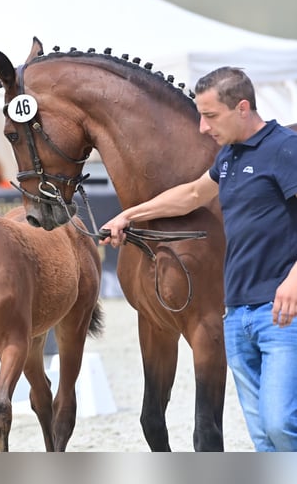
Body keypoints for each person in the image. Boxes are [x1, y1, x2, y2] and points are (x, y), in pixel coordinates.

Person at [100, 66, 297, 452]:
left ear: (242, 108)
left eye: (210, 116)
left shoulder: (284, 149)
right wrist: (128, 215)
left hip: (279, 313)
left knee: (280, 422)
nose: (204, 128)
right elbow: (191, 194)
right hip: (237, 315)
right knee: (262, 436)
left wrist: (294, 280)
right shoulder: (229, 157)